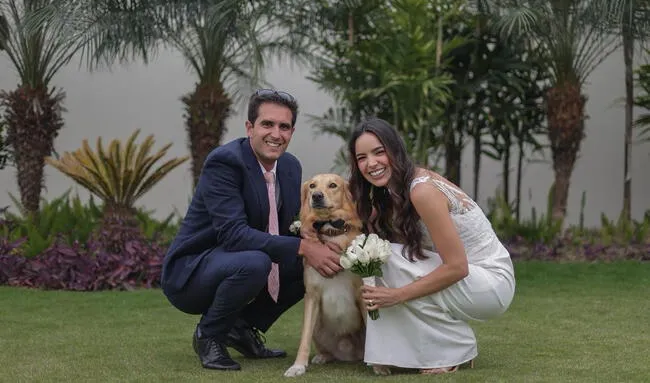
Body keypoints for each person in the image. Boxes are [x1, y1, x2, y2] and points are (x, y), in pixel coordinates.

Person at [161, 89, 342, 371]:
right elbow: (233, 235)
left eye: (284, 127)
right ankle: (209, 335)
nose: (276, 134)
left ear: (292, 131)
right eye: (267, 124)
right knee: (258, 261)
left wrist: (316, 240)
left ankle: (242, 329)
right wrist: (303, 246)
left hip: (240, 259)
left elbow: (284, 227)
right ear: (250, 127)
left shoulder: (291, 167)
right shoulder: (225, 162)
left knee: (307, 264)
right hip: (193, 271)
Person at [348, 117, 515, 375]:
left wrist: (396, 295)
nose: (371, 164)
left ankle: (453, 348)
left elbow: (457, 267)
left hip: (490, 283)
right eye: (362, 158)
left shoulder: (421, 190)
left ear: (395, 150)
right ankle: (399, 352)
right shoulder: (393, 192)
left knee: (384, 257)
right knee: (376, 253)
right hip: (473, 279)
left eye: (379, 152)